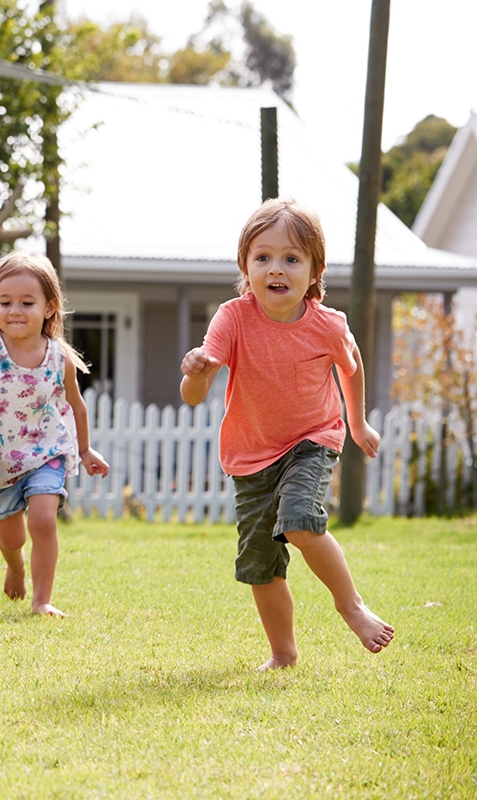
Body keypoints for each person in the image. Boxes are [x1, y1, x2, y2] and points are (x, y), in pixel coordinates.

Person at [180, 198, 395, 670]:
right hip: (250, 455)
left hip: (313, 439)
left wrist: (356, 423)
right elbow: (194, 395)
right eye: (263, 257)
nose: (276, 269)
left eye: (291, 258)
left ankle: (352, 607)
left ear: (315, 270)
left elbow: (351, 368)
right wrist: (196, 372)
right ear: (246, 265)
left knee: (299, 520)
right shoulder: (232, 318)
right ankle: (283, 653)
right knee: (259, 564)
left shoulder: (328, 325)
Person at [0, 252, 109, 617]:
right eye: (5, 302)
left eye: (27, 302)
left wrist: (86, 450)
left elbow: (77, 407)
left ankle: (42, 601)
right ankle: (15, 565)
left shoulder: (60, 357)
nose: (15, 310)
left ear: (49, 307)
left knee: (43, 519)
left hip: (47, 453)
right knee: (12, 538)